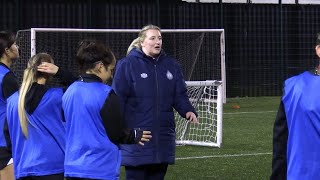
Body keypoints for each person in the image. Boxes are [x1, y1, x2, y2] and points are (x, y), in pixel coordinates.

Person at [112, 24, 198, 180]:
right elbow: (118, 99)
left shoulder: (172, 65)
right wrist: (120, 130)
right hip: (138, 137)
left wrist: (187, 110)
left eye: (160, 38)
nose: (157, 41)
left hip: (163, 136)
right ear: (142, 42)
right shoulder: (127, 65)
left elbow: (179, 94)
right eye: (152, 38)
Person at [62, 40, 152, 180]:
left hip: (73, 168)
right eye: (110, 70)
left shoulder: (69, 91)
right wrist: (134, 135)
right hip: (99, 168)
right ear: (99, 67)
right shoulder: (106, 93)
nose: (111, 75)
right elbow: (116, 133)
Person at [6, 53, 66, 180]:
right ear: (50, 72)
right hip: (52, 166)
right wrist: (60, 72)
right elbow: (81, 86)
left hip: (23, 167)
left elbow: (7, 136)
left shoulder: (12, 100)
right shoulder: (57, 97)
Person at [270, 33, 320, 180]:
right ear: (318, 50)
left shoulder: (292, 87)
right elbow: (281, 141)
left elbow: (280, 142)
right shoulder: (293, 87)